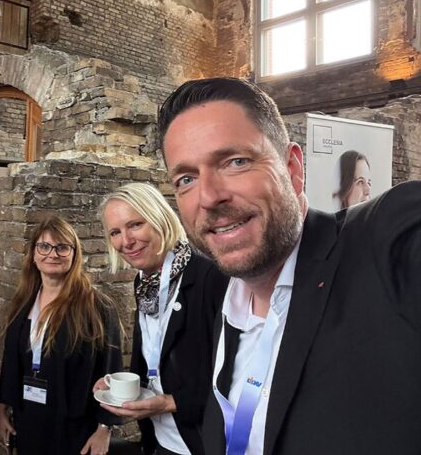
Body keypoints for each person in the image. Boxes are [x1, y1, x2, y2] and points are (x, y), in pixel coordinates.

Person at [158, 77, 421, 455]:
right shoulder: (225, 300)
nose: (209, 197)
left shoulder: (383, 239)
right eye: (186, 178)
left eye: (235, 161)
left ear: (293, 168)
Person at [97, 183, 227, 455]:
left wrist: (171, 402)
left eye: (135, 224)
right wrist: (122, 384)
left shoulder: (210, 277)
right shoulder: (143, 282)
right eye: (115, 232)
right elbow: (156, 355)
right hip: (159, 439)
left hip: (202, 441)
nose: (126, 241)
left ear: (159, 217)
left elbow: (236, 374)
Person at [0, 216, 123, 455]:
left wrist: (104, 428)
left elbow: (111, 371)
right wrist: (3, 408)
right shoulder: (24, 301)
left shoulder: (98, 307)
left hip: (74, 425)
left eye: (62, 247)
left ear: (74, 254)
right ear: (33, 254)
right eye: (44, 246)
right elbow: (12, 360)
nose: (52, 254)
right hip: (29, 417)